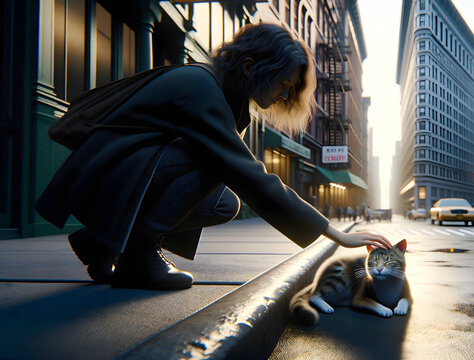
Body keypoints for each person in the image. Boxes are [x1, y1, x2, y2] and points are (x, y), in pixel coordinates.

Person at [35, 23, 391, 291]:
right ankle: (137, 257)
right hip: (106, 176)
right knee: (216, 163)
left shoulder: (224, 93)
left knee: (224, 204)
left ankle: (99, 241)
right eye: (283, 84)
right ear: (251, 66)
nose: (285, 95)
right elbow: (247, 172)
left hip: (122, 176)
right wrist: (334, 234)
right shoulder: (201, 87)